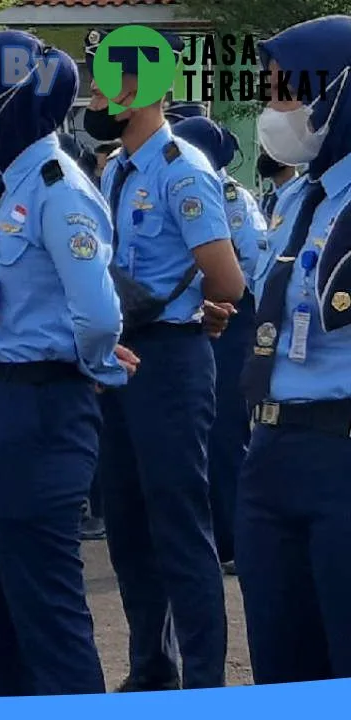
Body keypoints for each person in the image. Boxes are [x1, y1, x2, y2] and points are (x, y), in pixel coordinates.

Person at [0, 32, 132, 695]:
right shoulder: (7, 185)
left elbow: (100, 315)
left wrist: (92, 365)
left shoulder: (59, 189)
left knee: (44, 608)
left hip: (41, 405)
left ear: (6, 106)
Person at [85, 27, 245, 691]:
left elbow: (227, 279)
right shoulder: (115, 167)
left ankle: (205, 680)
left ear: (133, 89)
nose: (91, 94)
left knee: (179, 525)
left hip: (171, 362)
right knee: (127, 523)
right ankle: (151, 666)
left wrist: (192, 309)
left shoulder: (182, 168)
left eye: (100, 80)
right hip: (122, 361)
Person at [236, 16, 351, 685]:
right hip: (270, 453)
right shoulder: (293, 202)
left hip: (339, 455)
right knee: (280, 663)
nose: (273, 112)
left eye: (286, 95)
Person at [172, 116, 268, 575]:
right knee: (201, 432)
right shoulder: (190, 189)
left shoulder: (229, 195)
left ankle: (232, 539)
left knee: (227, 431)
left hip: (230, 314)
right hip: (200, 315)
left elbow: (248, 260)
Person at [256, 149, 299, 223]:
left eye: (270, 150)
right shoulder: (265, 201)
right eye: (264, 150)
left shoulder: (304, 195)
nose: (265, 154)